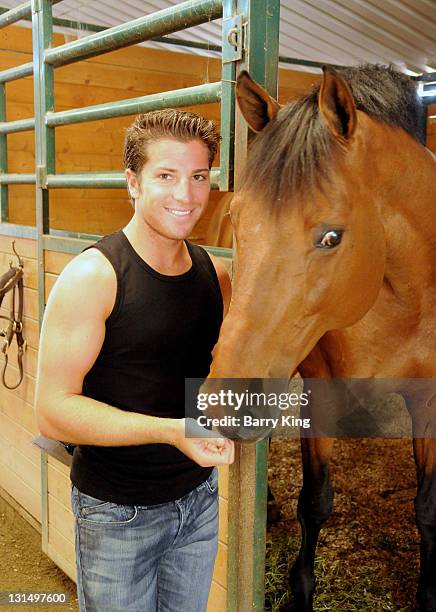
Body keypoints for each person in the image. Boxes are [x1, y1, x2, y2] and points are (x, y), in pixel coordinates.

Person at [35, 109, 234, 612]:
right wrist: (173, 431)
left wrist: (335, 408)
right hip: (117, 512)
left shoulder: (216, 275)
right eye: (165, 176)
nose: (186, 195)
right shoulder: (94, 277)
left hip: (198, 502)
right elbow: (53, 411)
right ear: (132, 181)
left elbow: (213, 382)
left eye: (198, 177)